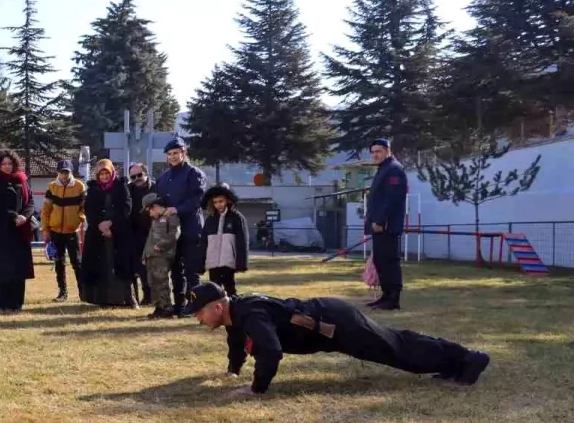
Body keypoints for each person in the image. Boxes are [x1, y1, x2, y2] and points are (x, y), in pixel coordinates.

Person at [186, 281, 491, 396]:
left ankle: (467, 359)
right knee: (397, 343)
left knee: (397, 351)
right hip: (329, 319)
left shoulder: (249, 313)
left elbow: (270, 350)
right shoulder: (235, 313)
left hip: (336, 323)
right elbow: (237, 341)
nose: (198, 319)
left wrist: (257, 389)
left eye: (199, 313)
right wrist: (233, 369)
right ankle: (455, 361)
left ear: (216, 306)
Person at [154, 136, 207, 315]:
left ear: (183, 153)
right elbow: (159, 199)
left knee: (192, 270)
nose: (173, 157)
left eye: (176, 153)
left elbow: (198, 199)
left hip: (191, 228)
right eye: (170, 154)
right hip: (171, 231)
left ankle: (196, 305)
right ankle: (180, 304)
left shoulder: (194, 173)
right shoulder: (164, 177)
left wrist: (177, 209)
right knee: (176, 269)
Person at [81, 159, 137, 308]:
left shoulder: (121, 186)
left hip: (119, 232)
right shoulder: (93, 189)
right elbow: (89, 210)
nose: (104, 176)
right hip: (97, 233)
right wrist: (100, 225)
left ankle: (125, 299)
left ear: (112, 172)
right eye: (101, 173)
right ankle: (102, 299)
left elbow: (126, 207)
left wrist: (111, 224)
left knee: (120, 264)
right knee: (101, 265)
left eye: (107, 173)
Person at [0, 150, 35, 312]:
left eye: (9, 164)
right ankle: (0, 303)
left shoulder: (21, 180)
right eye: (3, 164)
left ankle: (16, 303)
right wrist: (14, 216)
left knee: (18, 268)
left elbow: (30, 202)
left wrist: (24, 217)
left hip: (19, 231)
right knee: (0, 268)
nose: (7, 167)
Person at [365, 138, 408, 311]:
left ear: (388, 151)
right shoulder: (383, 169)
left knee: (390, 261)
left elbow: (392, 200)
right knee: (380, 260)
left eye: (379, 151)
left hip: (386, 225)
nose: (375, 155)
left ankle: (393, 299)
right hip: (378, 225)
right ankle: (385, 295)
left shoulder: (394, 170)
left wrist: (381, 221)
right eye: (373, 152)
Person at [39, 158, 86, 302]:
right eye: (62, 172)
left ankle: (83, 292)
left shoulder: (79, 186)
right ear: (58, 173)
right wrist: (46, 229)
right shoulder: (52, 187)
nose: (64, 175)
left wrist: (80, 218)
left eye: (66, 172)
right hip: (55, 231)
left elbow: (84, 208)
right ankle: (62, 292)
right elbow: (46, 211)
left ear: (71, 172)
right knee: (59, 263)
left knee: (77, 263)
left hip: (72, 232)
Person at [197, 183, 249, 297]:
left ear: (228, 201)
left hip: (228, 260)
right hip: (213, 261)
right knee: (214, 290)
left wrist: (241, 263)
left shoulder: (236, 218)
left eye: (221, 201)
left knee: (230, 287)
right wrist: (201, 263)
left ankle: (233, 310)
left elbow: (242, 242)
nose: (218, 205)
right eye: (215, 202)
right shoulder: (210, 220)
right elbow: (204, 243)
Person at [140, 193, 180, 319]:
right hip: (151, 255)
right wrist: (145, 255)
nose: (149, 214)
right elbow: (150, 239)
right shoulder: (155, 221)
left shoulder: (171, 216)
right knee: (153, 282)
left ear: (155, 207)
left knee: (161, 281)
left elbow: (174, 234)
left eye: (149, 211)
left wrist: (161, 246)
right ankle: (158, 307)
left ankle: (167, 308)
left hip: (162, 255)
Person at [127, 163, 156, 305]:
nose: (137, 179)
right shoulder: (127, 189)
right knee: (137, 266)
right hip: (133, 233)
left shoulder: (156, 188)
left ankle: (152, 296)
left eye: (139, 175)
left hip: (153, 232)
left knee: (152, 267)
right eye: (133, 177)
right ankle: (136, 297)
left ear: (146, 173)